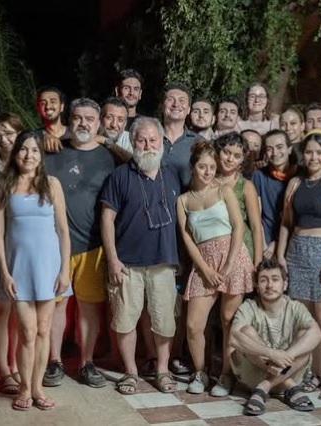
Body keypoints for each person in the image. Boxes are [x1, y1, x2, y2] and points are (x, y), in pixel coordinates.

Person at [100, 117, 181, 395]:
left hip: (164, 260)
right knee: (125, 319)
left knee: (164, 320)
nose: (147, 146)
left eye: (152, 140)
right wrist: (112, 259)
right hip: (127, 263)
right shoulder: (120, 176)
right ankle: (131, 372)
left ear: (161, 143)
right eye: (141, 140)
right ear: (133, 143)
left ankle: (162, 370)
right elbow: (107, 219)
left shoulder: (171, 175)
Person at [0, 131, 71, 411]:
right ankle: (24, 387)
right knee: (27, 331)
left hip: (49, 267)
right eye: (24, 150)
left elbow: (63, 230)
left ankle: (37, 388)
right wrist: (5, 273)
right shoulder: (4, 185)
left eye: (35, 150)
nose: (29, 155)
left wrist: (65, 270)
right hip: (18, 269)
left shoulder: (52, 184)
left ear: (41, 155)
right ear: (16, 154)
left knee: (43, 330)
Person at [43, 98, 117, 389]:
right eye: (77, 118)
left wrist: (109, 142)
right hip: (55, 245)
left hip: (93, 245)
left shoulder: (108, 158)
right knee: (56, 306)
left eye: (90, 119)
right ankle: (54, 361)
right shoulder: (52, 151)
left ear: (98, 124)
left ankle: (87, 363)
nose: (83, 123)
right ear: (69, 120)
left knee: (89, 308)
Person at [276, 130, 321, 400]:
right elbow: (286, 222)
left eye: (319, 152)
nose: (313, 157)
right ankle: (314, 373)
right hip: (297, 253)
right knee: (307, 323)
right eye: (309, 152)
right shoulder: (295, 183)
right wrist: (281, 255)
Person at [177, 141, 254, 396]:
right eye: (202, 166)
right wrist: (205, 269)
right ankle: (200, 372)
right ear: (193, 167)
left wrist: (230, 264)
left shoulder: (224, 191)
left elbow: (239, 227)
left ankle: (226, 375)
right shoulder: (183, 200)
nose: (208, 172)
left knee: (229, 320)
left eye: (212, 167)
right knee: (193, 325)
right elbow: (188, 238)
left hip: (232, 256)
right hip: (204, 262)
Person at [229, 259, 321, 416]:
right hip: (255, 374)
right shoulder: (248, 307)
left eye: (275, 279)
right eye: (263, 280)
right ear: (257, 286)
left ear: (285, 284)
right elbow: (234, 338)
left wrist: (286, 356)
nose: (269, 285)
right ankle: (289, 385)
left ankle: (265, 387)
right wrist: (272, 354)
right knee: (246, 332)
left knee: (305, 335)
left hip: (290, 369)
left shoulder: (295, 307)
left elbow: (317, 333)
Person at [0, 113, 24, 395]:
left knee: (18, 311)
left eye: (9, 133)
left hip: (22, 247)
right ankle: (3, 370)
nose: (3, 140)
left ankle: (15, 363)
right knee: (1, 310)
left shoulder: (29, 164)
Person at [213, 133, 263, 264]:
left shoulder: (246, 186)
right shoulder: (206, 180)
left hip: (241, 249)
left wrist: (258, 263)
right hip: (213, 248)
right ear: (218, 151)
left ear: (242, 160)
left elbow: (256, 227)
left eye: (237, 156)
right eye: (226, 152)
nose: (230, 159)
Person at [252, 130, 297, 259]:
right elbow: (256, 216)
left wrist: (278, 242)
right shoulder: (259, 176)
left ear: (289, 149)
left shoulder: (301, 174)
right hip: (267, 242)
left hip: (295, 241)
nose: (275, 153)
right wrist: (263, 244)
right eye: (269, 149)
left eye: (279, 147)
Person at [161, 82, 198, 188]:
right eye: (170, 99)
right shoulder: (147, 138)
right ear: (162, 106)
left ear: (189, 109)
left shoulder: (199, 142)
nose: (176, 104)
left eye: (182, 101)